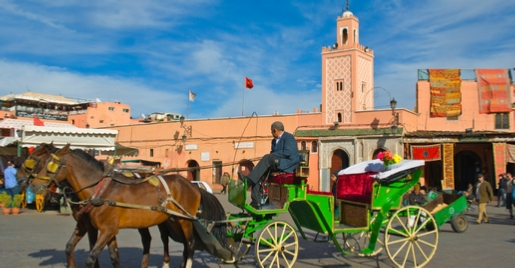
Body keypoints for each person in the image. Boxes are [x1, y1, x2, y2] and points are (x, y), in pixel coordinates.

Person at [238, 121, 300, 209]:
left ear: (275, 130)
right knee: (259, 174)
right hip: (277, 162)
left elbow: (288, 152)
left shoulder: (289, 137)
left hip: (287, 163)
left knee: (267, 157)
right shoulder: (274, 141)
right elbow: (273, 154)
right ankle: (256, 201)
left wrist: (271, 156)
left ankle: (248, 181)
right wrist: (271, 156)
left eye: (272, 131)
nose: (271, 133)